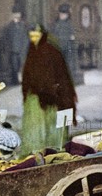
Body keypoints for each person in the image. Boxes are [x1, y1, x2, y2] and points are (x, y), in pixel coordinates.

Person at [21, 23, 77, 155]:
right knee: (36, 129)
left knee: (54, 129)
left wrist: (55, 92)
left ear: (42, 35)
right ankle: (36, 154)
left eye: (36, 35)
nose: (33, 38)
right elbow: (27, 74)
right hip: (35, 97)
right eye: (31, 36)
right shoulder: (32, 50)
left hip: (53, 98)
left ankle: (55, 152)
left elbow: (61, 76)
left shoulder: (52, 51)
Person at [0, 5, 28, 86]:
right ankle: (16, 82)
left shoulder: (24, 26)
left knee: (22, 66)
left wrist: (25, 49)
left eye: (18, 14)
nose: (16, 16)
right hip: (13, 51)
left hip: (22, 51)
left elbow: (26, 39)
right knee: (14, 67)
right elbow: (6, 39)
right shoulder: (9, 27)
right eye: (15, 14)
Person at [51, 3, 79, 82]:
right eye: (62, 14)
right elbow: (53, 35)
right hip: (59, 46)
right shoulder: (56, 24)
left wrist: (72, 37)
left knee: (70, 64)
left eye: (64, 14)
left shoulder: (69, 23)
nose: (63, 15)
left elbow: (73, 34)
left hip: (68, 46)